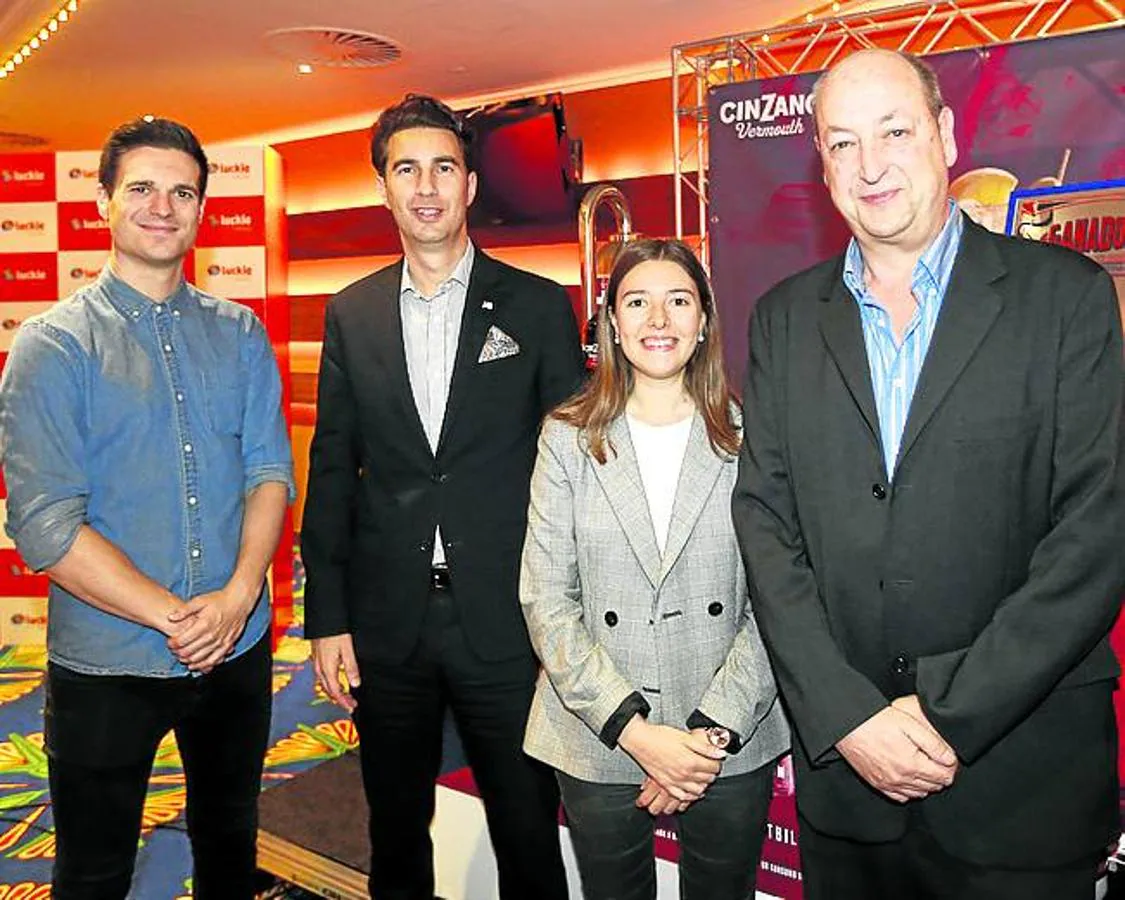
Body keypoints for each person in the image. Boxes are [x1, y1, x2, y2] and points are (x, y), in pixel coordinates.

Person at [732, 48, 1123, 900]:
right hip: (850, 789)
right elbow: (764, 524)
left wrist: (948, 711)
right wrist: (847, 715)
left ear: (945, 136)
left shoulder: (1067, 298)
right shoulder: (782, 322)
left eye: (893, 131)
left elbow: (1097, 533)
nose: (868, 166)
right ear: (821, 164)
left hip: (1019, 785)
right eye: (840, 143)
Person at [0, 118, 293, 898]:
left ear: (200, 209)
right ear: (101, 201)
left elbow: (269, 474)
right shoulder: (51, 347)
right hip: (109, 663)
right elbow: (46, 525)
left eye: (182, 191)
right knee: (94, 871)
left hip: (239, 649)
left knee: (230, 842)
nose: (163, 206)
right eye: (142, 188)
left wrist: (234, 603)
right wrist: (179, 617)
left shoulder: (240, 334)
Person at [301, 93, 583, 900]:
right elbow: (332, 468)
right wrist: (329, 616)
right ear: (383, 188)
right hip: (388, 625)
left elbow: (570, 474)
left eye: (443, 168)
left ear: (468, 186)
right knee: (392, 832)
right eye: (406, 169)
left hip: (509, 620)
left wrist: (560, 623)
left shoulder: (533, 305)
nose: (425, 187)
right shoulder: (349, 314)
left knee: (528, 828)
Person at [521, 238, 790, 900]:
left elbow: (777, 599)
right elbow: (547, 600)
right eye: (636, 303)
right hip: (597, 732)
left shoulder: (750, 436)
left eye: (678, 301)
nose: (658, 321)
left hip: (726, 738)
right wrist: (637, 734)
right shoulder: (566, 438)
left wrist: (704, 737)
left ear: (703, 322)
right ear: (612, 323)